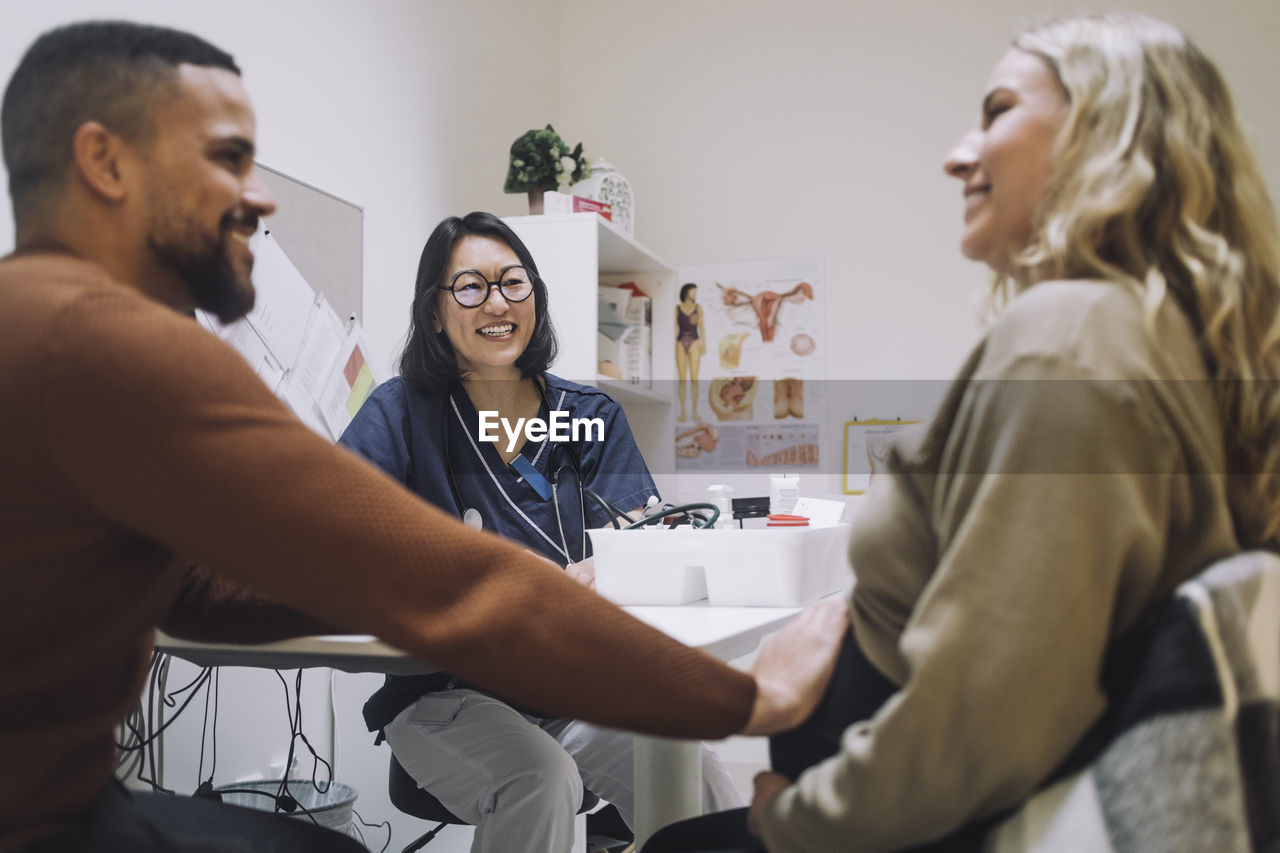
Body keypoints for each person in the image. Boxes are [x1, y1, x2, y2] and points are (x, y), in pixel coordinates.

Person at [0, 20, 848, 853]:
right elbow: (386, 560)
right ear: (104, 162)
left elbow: (217, 580)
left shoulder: (50, 329)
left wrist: (397, 572)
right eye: (227, 160)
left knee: (678, 781)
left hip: (68, 796)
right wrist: (744, 698)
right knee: (526, 783)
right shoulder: (120, 348)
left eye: (513, 282)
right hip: (73, 810)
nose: (261, 198)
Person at [644, 11, 1280, 852]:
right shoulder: (1162, 339)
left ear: (1106, 128)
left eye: (997, 110)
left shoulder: (1067, 339)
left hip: (907, 819)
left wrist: (793, 820)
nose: (957, 154)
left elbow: (987, 714)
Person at [338, 212, 743, 852]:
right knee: (539, 777)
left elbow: (643, 535)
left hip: (568, 687)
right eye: (470, 287)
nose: (497, 302)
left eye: (513, 283)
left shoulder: (588, 418)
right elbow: (336, 524)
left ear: (536, 298)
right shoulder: (401, 413)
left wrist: (612, 565)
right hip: (442, 693)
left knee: (690, 768)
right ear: (435, 313)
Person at [675, 282, 706, 421]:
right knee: (682, 379)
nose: (694, 293)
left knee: (694, 378)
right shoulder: (677, 308)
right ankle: (682, 411)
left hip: (694, 341)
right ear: (686, 292)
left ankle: (694, 411)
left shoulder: (698, 308)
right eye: (692, 291)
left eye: (695, 291)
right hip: (680, 342)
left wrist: (704, 344)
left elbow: (702, 327)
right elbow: (674, 328)